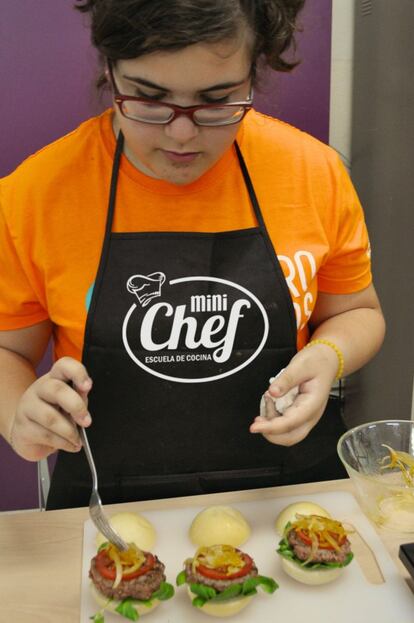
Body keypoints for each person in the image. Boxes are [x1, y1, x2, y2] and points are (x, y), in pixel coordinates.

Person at [0, 0, 385, 510]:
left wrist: (327, 355)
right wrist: (16, 416)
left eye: (217, 101)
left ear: (252, 75)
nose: (181, 134)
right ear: (110, 72)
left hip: (289, 499)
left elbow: (359, 312)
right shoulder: (35, 193)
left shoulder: (312, 172)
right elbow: (8, 352)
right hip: (109, 508)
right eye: (148, 98)